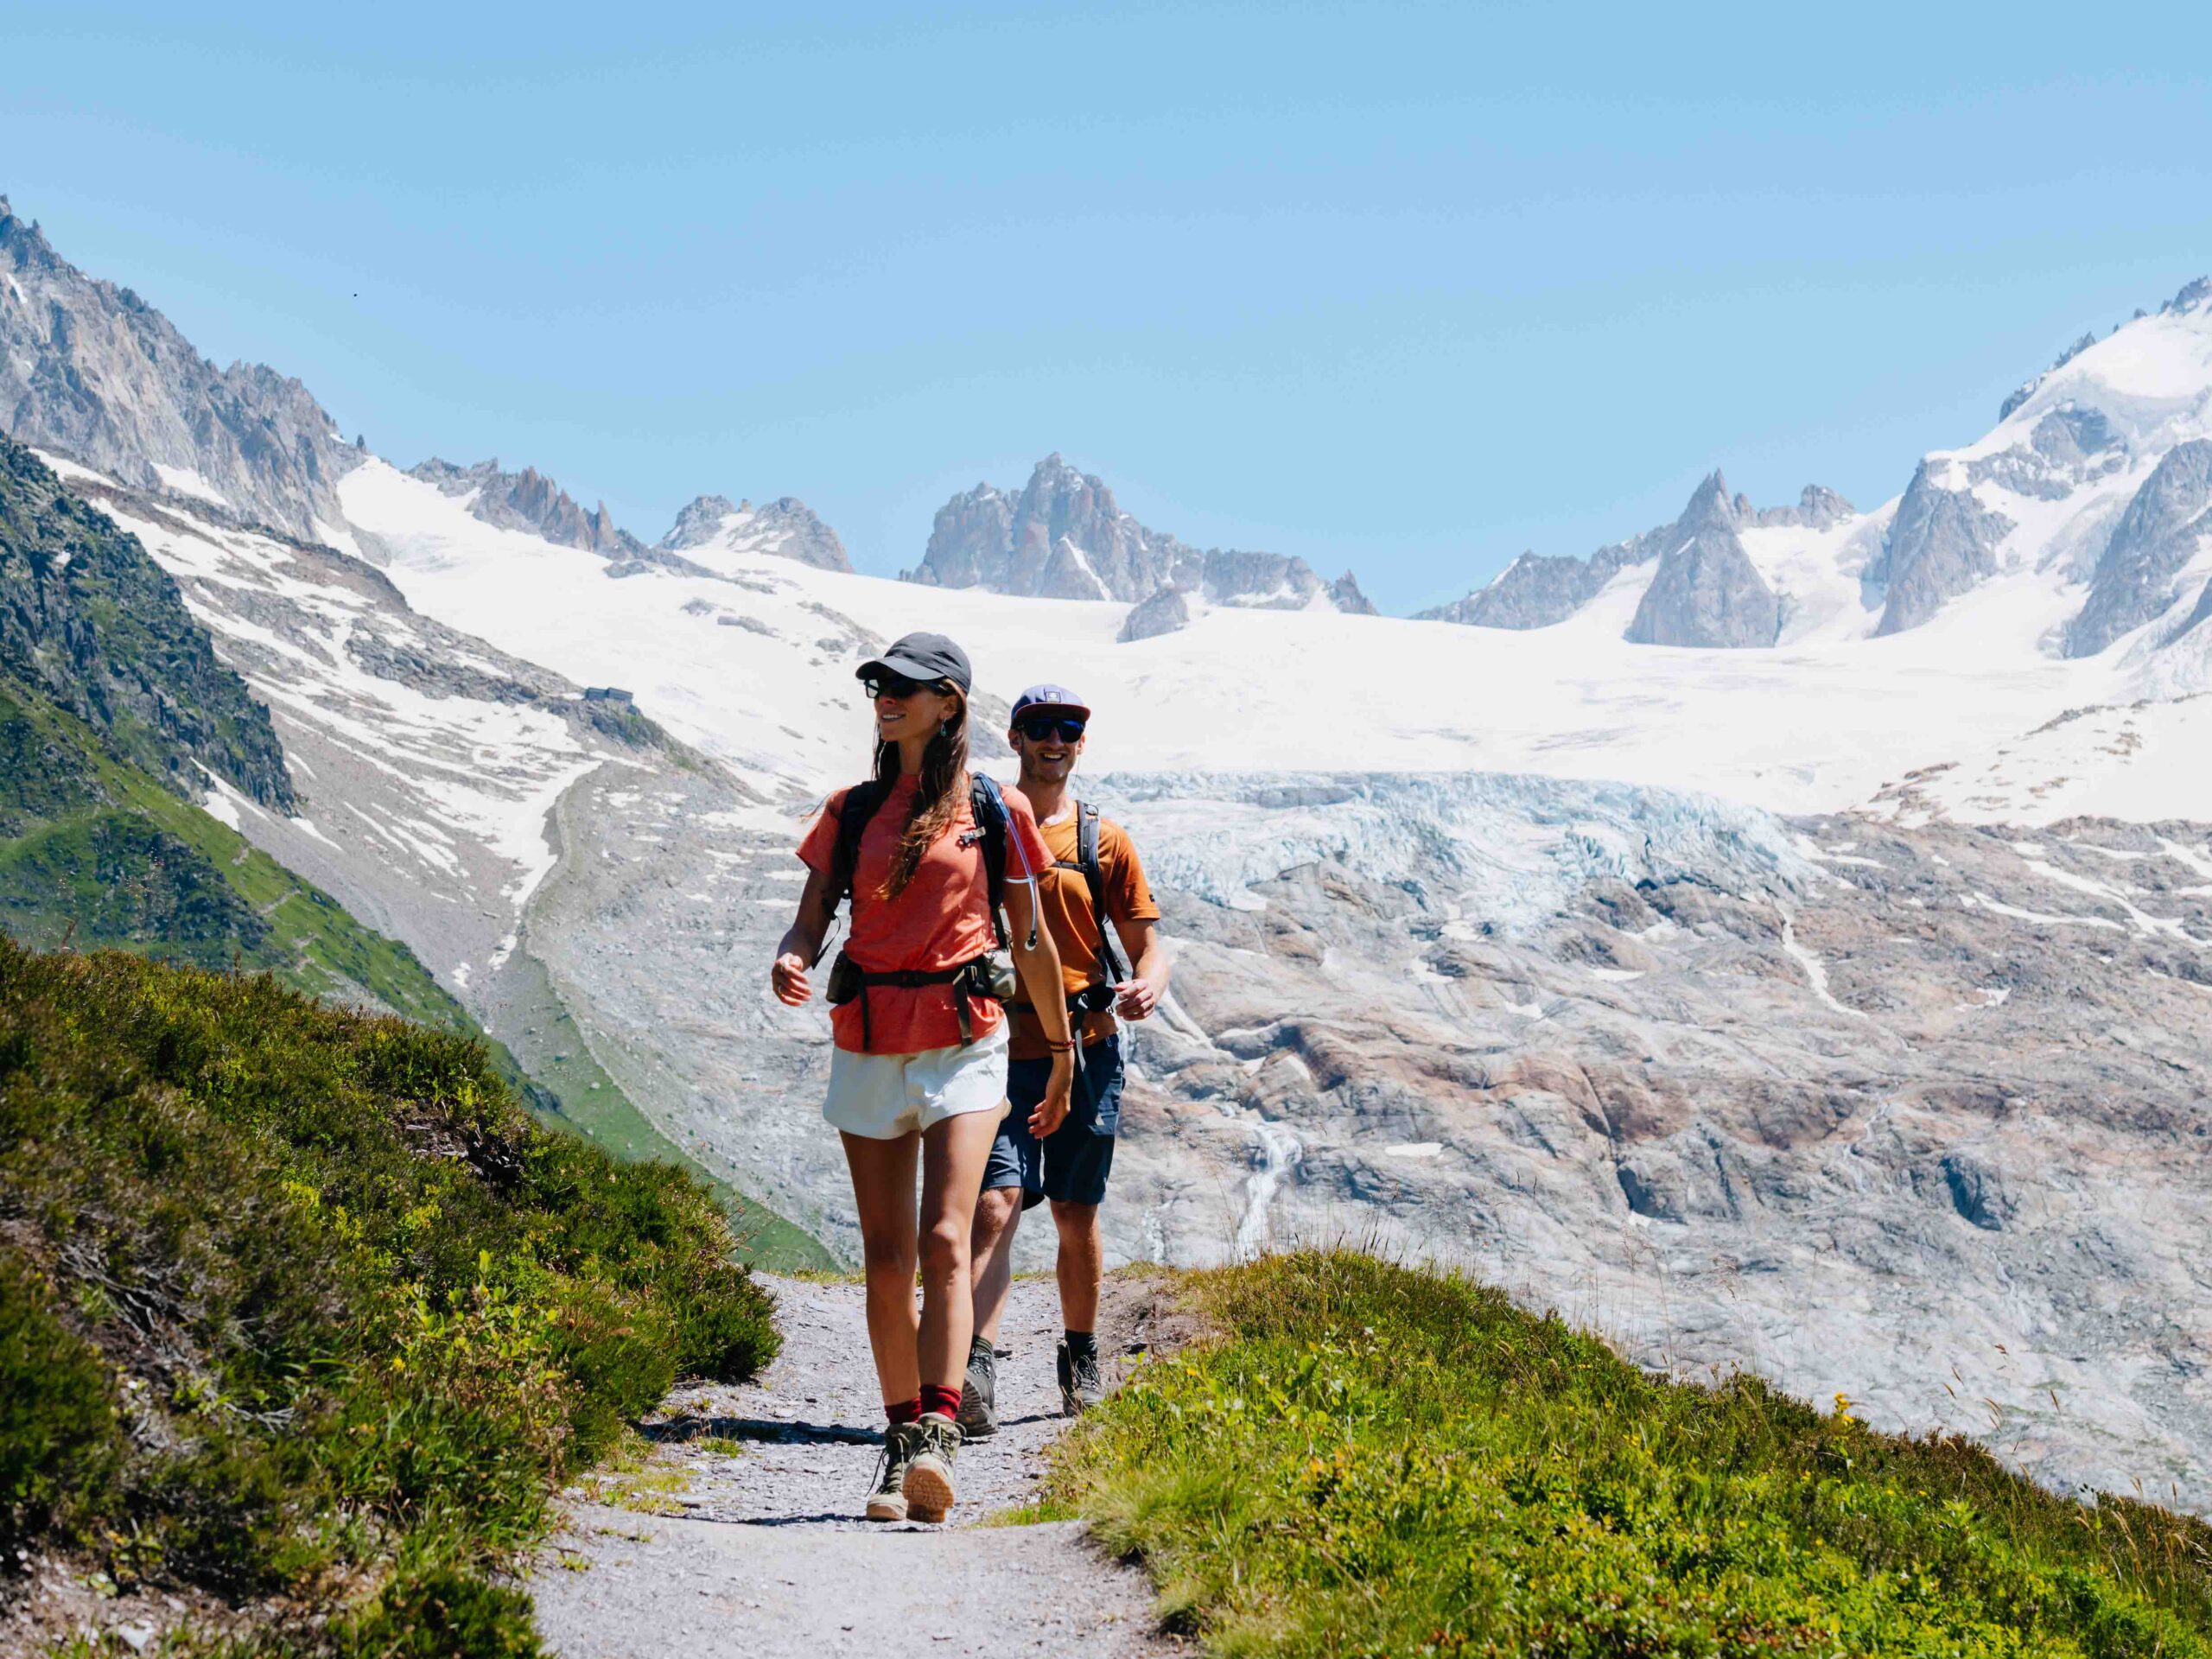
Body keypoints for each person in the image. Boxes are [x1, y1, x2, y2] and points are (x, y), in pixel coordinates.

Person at [771, 634, 1075, 1524]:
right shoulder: (851, 811)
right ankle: (899, 1448)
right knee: (884, 1256)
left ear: (949, 703)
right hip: (868, 1036)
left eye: (904, 687)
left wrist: (1059, 1051)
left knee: (945, 1239)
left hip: (965, 1039)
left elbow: (1031, 939)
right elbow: (808, 924)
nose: (884, 697)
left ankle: (937, 1440)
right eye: (878, 684)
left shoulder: (994, 808)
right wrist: (789, 962)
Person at [961, 684, 1169, 1438]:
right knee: (995, 1207)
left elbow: (1147, 943)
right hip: (1001, 1048)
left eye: (1069, 729)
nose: (1055, 740)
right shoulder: (984, 828)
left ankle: (1081, 1358)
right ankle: (974, 1367)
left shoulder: (1101, 841)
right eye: (1040, 728)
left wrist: (1147, 985)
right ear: (1014, 738)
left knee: (1077, 1215)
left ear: (1082, 743)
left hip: (1088, 1049)